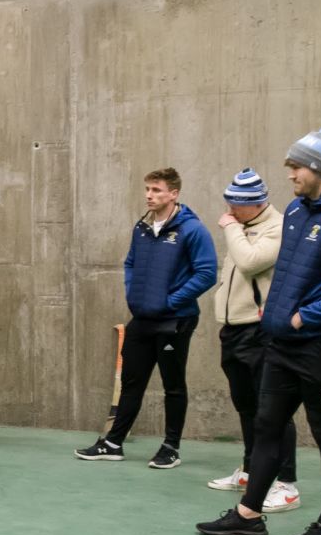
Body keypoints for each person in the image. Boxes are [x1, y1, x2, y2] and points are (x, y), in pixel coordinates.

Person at [197, 124, 321, 535]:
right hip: (280, 342)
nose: (290, 174)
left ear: (317, 169)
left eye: (295, 166)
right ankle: (248, 517)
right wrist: (276, 314)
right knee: (266, 424)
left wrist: (301, 317)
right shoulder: (298, 212)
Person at [76, 167, 217, 468]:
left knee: (173, 384)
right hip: (142, 318)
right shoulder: (141, 228)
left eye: (156, 190)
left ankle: (171, 447)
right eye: (148, 190)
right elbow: (130, 263)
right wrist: (134, 295)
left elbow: (206, 274)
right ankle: (113, 443)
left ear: (174, 194)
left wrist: (171, 301)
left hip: (175, 321)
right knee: (132, 381)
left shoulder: (192, 230)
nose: (149, 195)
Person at [207, 169, 299, 512]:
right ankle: (251, 469)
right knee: (246, 405)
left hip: (259, 331)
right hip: (232, 329)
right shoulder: (243, 226)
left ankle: (286, 484)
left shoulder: (276, 227)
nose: (228, 209)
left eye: (234, 204)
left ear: (254, 204)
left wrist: (230, 227)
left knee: (273, 411)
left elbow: (248, 262)